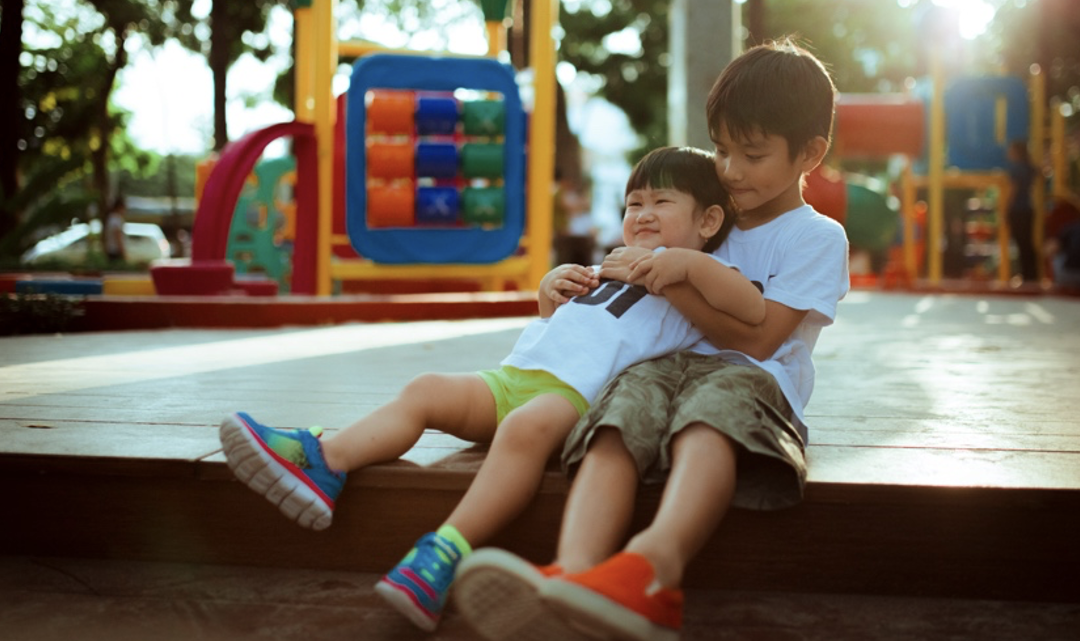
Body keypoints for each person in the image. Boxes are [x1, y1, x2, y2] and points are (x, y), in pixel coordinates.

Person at [218, 146, 765, 633]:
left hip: (572, 398)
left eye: (661, 203)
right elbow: (574, 323)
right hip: (513, 378)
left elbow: (750, 306)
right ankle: (326, 462)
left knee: (524, 430)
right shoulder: (613, 264)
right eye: (633, 204)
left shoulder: (698, 279)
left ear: (709, 220)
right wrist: (551, 292)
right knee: (427, 388)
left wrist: (681, 262)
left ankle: (443, 553)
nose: (642, 214)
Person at [452, 38, 850, 641]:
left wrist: (676, 274)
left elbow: (764, 338)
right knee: (616, 417)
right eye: (721, 150)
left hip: (752, 379)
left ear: (809, 154)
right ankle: (575, 574)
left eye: (753, 154)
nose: (732, 170)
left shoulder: (815, 237)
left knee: (707, 421)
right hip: (662, 364)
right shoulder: (708, 212)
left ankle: (652, 572)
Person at [1005, 140, 1039, 281]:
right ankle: (1032, 274)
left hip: (1018, 210)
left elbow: (1013, 190)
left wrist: (1006, 207)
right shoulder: (1029, 167)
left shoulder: (1016, 169)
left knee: (1020, 242)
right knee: (1028, 242)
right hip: (1028, 208)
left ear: (1016, 152)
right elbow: (1042, 173)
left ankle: (1027, 275)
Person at [105, 197, 127, 262]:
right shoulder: (116, 219)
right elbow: (117, 235)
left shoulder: (111, 218)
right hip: (115, 251)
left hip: (111, 250)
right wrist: (123, 251)